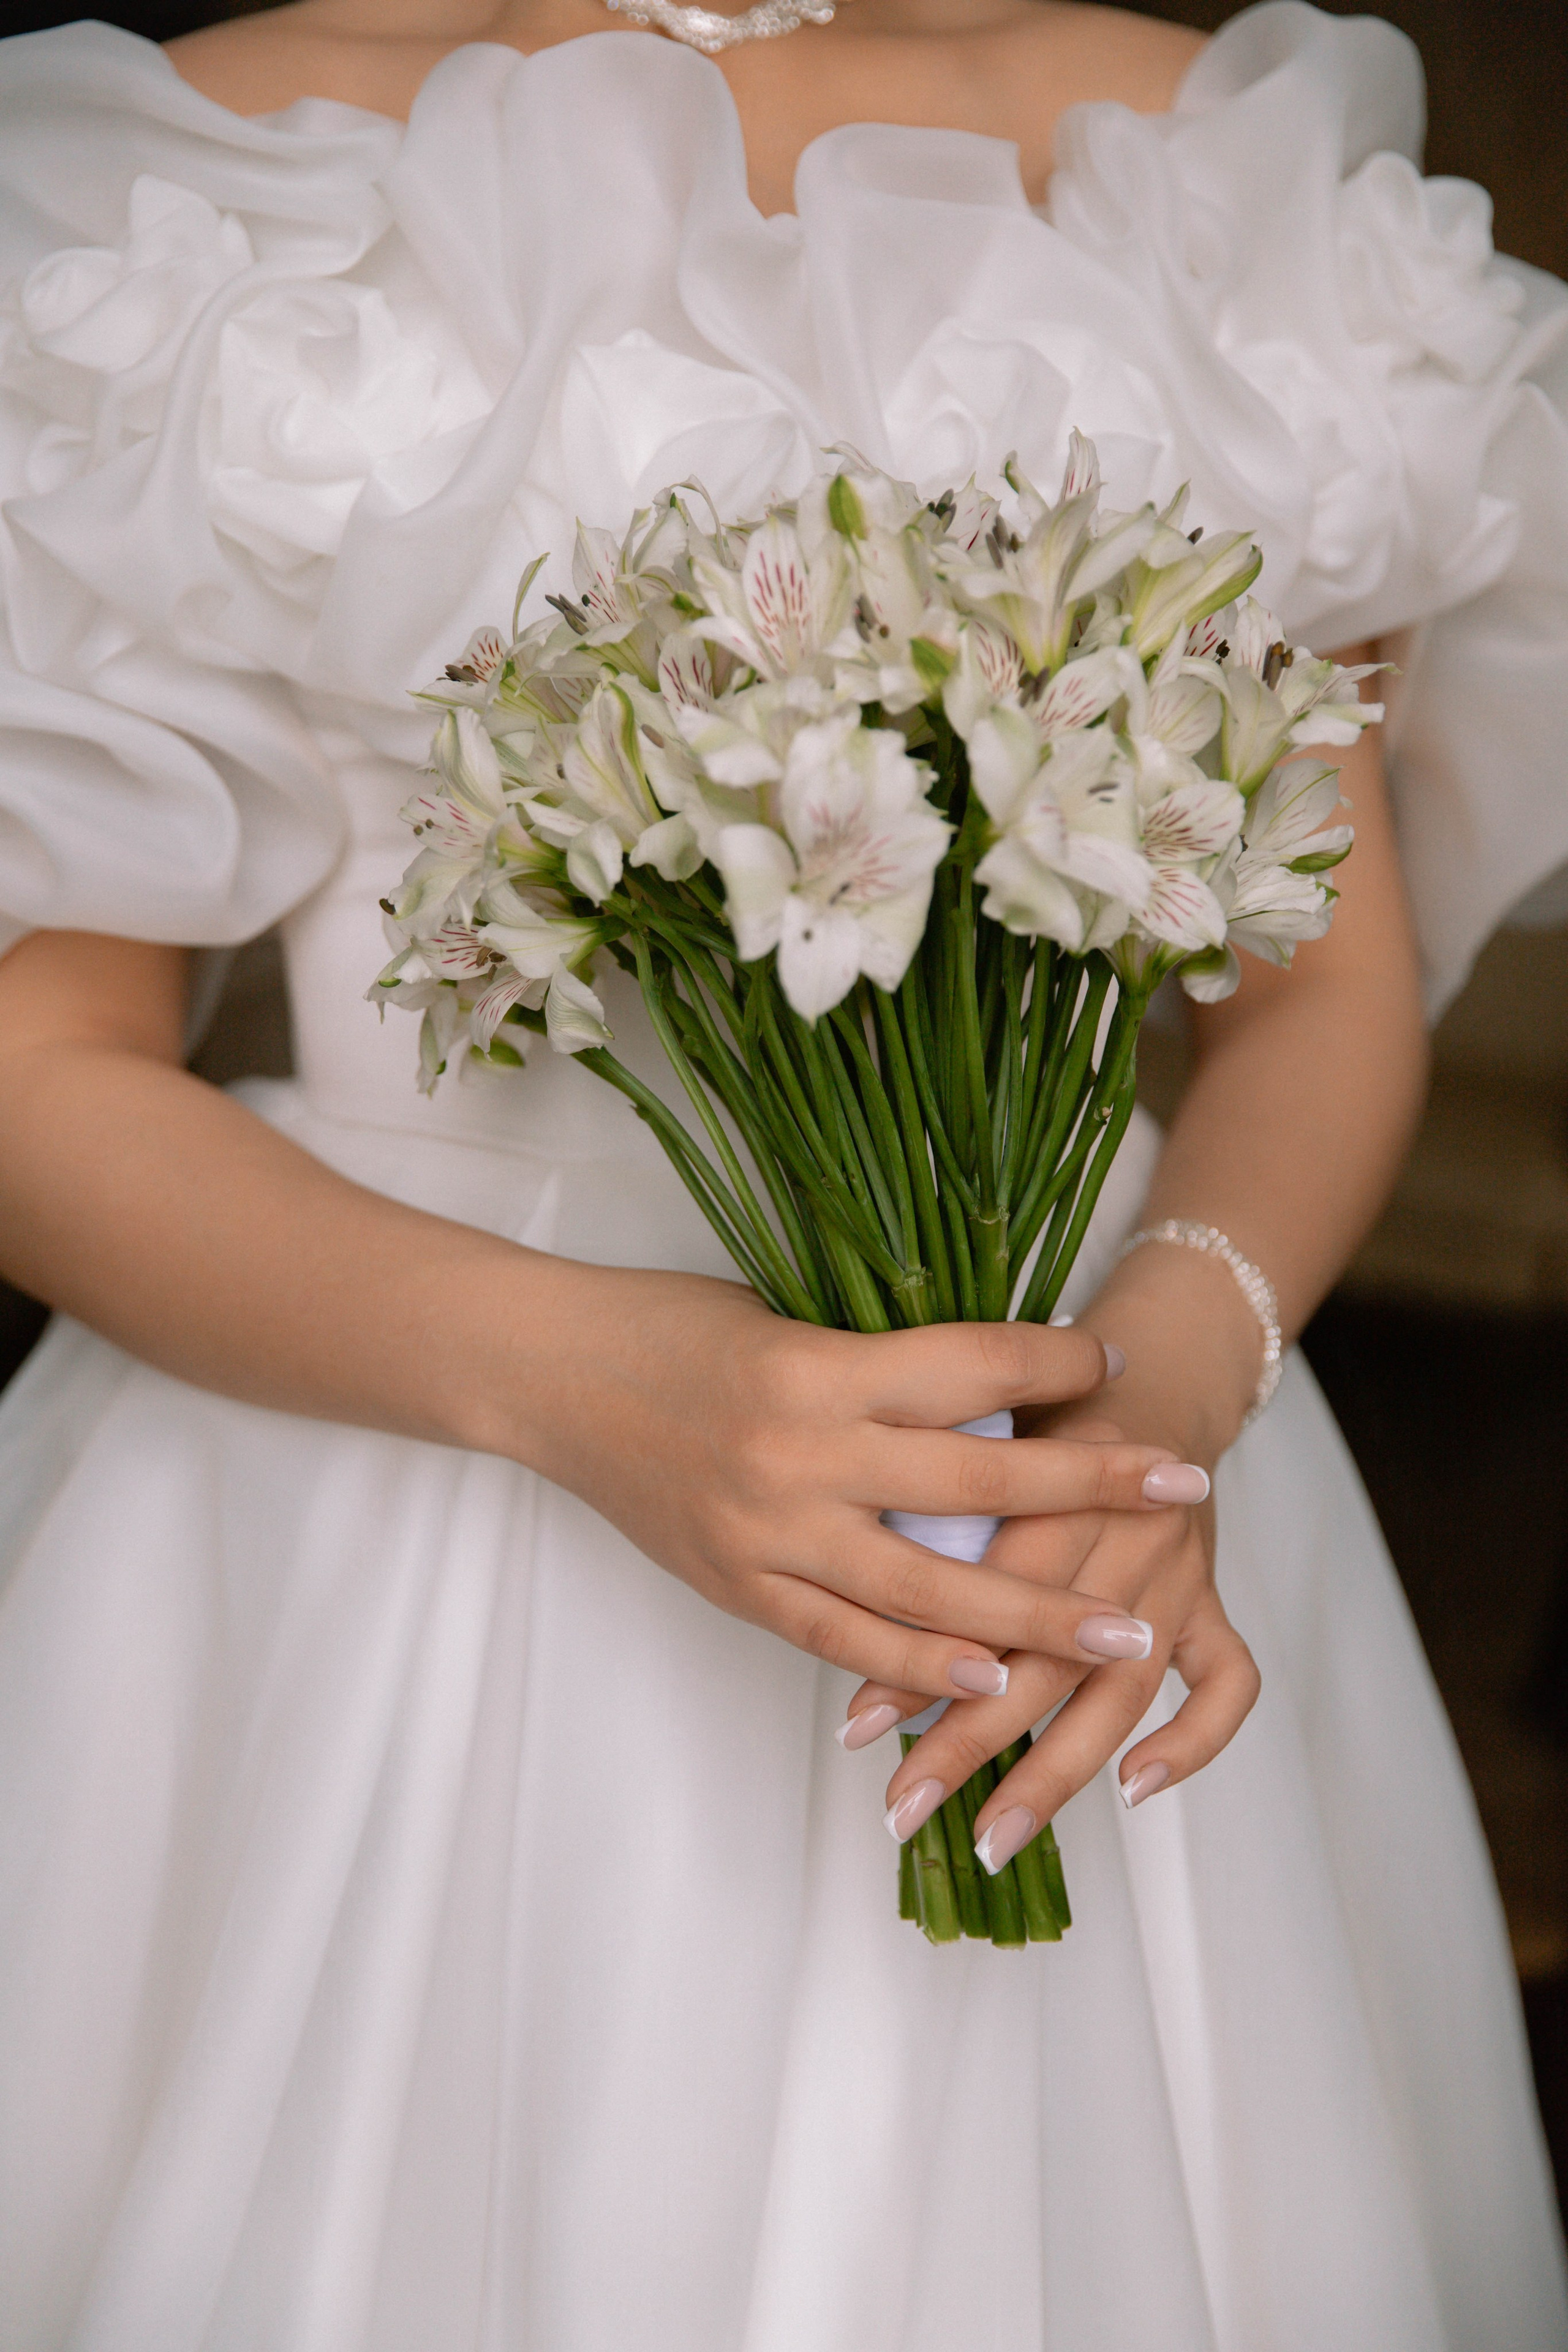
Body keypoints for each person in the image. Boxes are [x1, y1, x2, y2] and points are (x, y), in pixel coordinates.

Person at [0, 0, 1564, 2342]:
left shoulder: (1203, 168)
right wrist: (588, 1390)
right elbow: (41, 1063)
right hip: (392, 1483)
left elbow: (1317, 995)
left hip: (1080, 1481)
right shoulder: (228, 169)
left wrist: (1148, 1395)